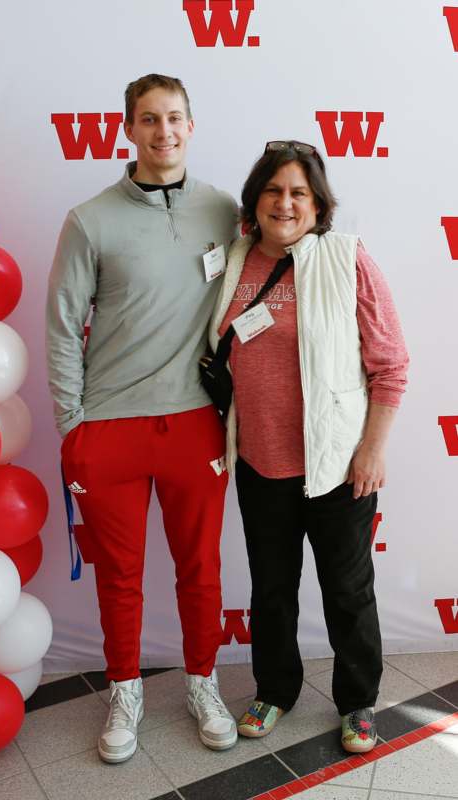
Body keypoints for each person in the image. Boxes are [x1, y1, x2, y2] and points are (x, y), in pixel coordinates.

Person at [46, 74, 239, 764]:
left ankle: (201, 683)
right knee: (119, 576)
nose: (164, 132)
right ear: (128, 129)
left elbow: (270, 275)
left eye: (176, 118)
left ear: (192, 124)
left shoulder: (223, 209)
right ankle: (124, 691)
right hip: (109, 429)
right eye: (150, 120)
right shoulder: (90, 219)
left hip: (193, 425)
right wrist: (73, 423)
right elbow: (63, 326)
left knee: (200, 569)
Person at [209, 141, 409, 753]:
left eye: (299, 192)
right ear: (255, 201)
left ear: (319, 204)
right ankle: (275, 688)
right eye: (273, 191)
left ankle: (358, 702)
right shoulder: (232, 260)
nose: (285, 203)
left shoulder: (348, 259)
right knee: (271, 588)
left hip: (338, 464)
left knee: (348, 592)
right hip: (259, 461)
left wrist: (372, 450)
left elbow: (391, 365)